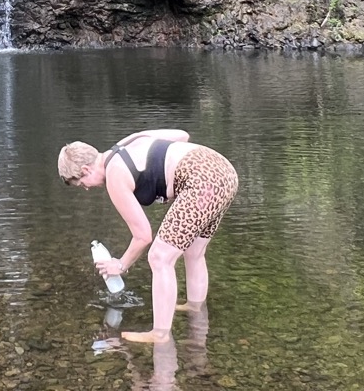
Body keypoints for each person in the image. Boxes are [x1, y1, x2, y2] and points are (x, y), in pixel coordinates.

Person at [58, 129, 238, 344]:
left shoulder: (115, 174)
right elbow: (182, 136)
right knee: (194, 251)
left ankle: (160, 334)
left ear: (86, 169)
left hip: (204, 182)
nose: (86, 189)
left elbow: (143, 235)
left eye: (81, 183)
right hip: (224, 171)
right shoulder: (130, 141)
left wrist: (121, 265)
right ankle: (194, 308)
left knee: (159, 257)